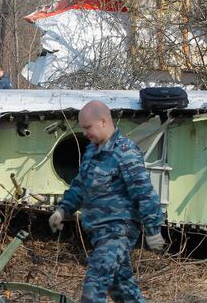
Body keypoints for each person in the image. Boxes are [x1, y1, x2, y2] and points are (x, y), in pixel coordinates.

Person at [48, 100, 164, 303]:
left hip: (118, 231)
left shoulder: (125, 152)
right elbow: (80, 186)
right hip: (99, 233)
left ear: (103, 121)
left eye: (87, 127)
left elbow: (143, 192)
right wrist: (63, 210)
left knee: (94, 286)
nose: (84, 133)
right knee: (123, 290)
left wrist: (153, 230)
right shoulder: (92, 151)